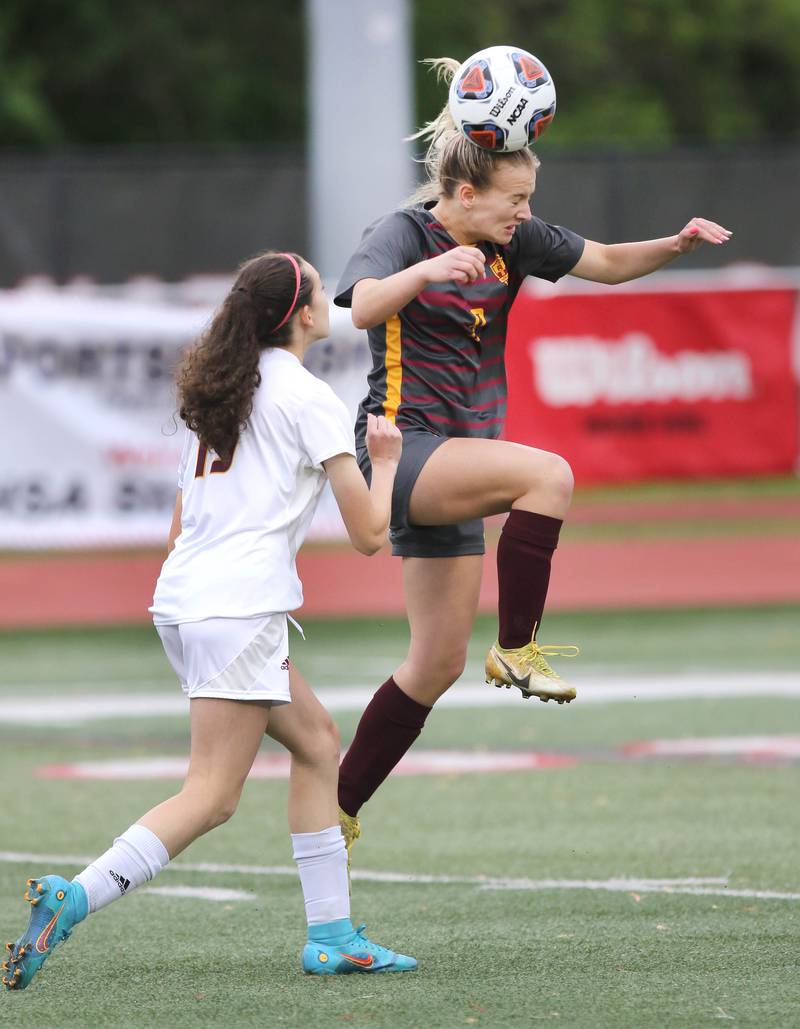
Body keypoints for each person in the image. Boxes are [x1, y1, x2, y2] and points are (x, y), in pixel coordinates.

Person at [333, 57, 732, 860]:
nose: (526, 214)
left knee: (433, 663)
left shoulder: (515, 237)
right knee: (549, 474)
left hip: (455, 462)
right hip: (400, 450)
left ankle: (333, 806)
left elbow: (612, 263)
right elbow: (361, 308)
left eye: (530, 202)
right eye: (516, 201)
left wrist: (679, 244)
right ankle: (517, 648)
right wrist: (426, 269)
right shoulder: (404, 233)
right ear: (467, 194)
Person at [2, 251, 416, 992]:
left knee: (319, 743)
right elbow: (367, 533)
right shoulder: (308, 394)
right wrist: (384, 459)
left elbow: (180, 518)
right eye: (322, 290)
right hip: (237, 608)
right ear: (301, 314)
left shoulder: (233, 385)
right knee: (212, 794)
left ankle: (332, 935)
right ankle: (76, 895)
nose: (331, 300)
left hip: (192, 601)